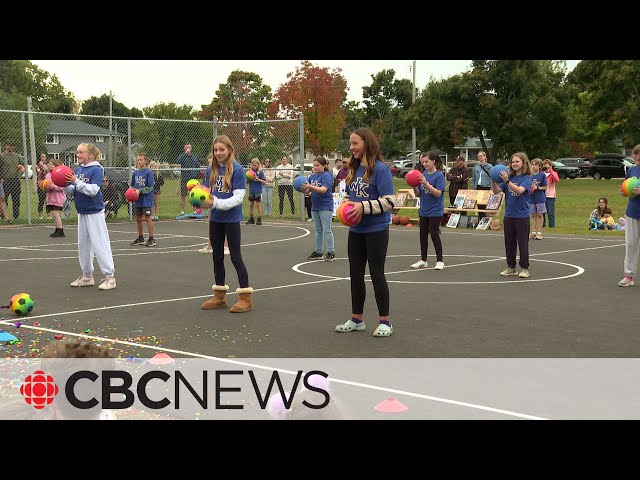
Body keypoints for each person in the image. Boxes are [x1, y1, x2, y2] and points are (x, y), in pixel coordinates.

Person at [334, 128, 396, 337]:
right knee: (355, 274)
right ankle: (357, 319)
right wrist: (345, 206)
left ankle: (385, 322)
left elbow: (389, 201)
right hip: (356, 230)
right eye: (350, 144)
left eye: (355, 143)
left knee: (377, 274)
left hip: (376, 229)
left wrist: (364, 207)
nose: (351, 148)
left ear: (367, 144)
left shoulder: (380, 169)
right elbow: (349, 196)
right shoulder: (353, 169)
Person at [200, 135, 253, 313]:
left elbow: (237, 198)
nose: (218, 153)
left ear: (229, 150)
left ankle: (246, 298)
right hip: (216, 218)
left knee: (235, 256)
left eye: (222, 149)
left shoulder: (237, 170)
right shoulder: (211, 169)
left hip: (231, 219)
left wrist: (215, 203)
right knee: (217, 256)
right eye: (215, 150)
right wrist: (200, 198)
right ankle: (219, 296)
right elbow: (208, 192)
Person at [63, 143, 116, 290]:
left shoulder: (97, 169)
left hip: (95, 212)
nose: (78, 155)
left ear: (90, 155)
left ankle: (110, 277)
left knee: (100, 244)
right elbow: (72, 191)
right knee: (83, 245)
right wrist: (63, 184)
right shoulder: (78, 169)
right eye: (77, 152)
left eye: (81, 152)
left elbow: (93, 190)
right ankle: (87, 276)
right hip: (82, 211)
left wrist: (75, 181)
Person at [492, 152, 533, 278]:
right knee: (509, 243)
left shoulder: (527, 178)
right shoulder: (509, 177)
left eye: (517, 161)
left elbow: (520, 191)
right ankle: (511, 267)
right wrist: (493, 179)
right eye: (512, 162)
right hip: (509, 215)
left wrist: (507, 181)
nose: (514, 164)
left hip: (522, 216)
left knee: (522, 243)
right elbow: (496, 191)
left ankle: (525, 268)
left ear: (524, 163)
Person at [410, 152, 446, 270]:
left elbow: (438, 193)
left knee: (434, 234)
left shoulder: (439, 175)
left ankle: (440, 261)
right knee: (423, 235)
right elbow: (419, 194)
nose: (424, 164)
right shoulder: (423, 174)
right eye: (423, 162)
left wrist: (426, 183)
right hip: (424, 210)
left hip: (435, 210)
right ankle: (423, 260)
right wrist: (414, 185)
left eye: (426, 161)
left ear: (433, 162)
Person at [300, 157, 336, 261]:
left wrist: (310, 186)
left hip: (325, 206)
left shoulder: (327, 176)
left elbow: (323, 190)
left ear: (324, 165)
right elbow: (311, 192)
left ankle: (331, 251)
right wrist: (304, 190)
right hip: (315, 206)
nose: (315, 167)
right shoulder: (312, 176)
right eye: (314, 165)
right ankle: (318, 251)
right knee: (318, 230)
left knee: (327, 229)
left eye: (317, 165)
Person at [618, 144, 640, 287]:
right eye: (635, 154)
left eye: (638, 154)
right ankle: (629, 276)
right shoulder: (631, 170)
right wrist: (624, 191)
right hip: (632, 212)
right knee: (631, 244)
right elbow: (625, 187)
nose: (636, 157)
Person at [129, 153, 156, 247]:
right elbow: (133, 185)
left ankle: (152, 239)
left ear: (146, 161)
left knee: (147, 218)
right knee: (138, 218)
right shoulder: (135, 173)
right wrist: (130, 193)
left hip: (146, 199)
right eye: (138, 160)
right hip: (138, 200)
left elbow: (150, 187)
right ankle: (140, 238)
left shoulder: (149, 172)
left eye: (140, 160)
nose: (139, 161)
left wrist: (140, 191)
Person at [0, 141, 24, 220]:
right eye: (8, 145)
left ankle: (16, 217)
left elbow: (23, 166)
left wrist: (21, 170)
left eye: (12, 145)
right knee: (4, 199)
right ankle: (3, 216)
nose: (10, 147)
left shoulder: (17, 156)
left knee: (16, 199)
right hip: (5, 180)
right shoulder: (2, 156)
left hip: (15, 180)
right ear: (5, 146)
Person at [177, 143, 200, 215]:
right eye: (187, 147)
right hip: (184, 178)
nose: (188, 149)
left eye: (189, 147)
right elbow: (178, 161)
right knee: (183, 195)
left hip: (192, 179)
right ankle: (182, 211)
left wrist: (195, 174)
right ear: (184, 148)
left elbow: (197, 166)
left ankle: (195, 211)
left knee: (193, 195)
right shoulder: (182, 156)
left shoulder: (194, 157)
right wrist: (185, 154)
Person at [44, 159, 66, 237]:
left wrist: (53, 187)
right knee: (54, 214)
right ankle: (57, 229)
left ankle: (60, 230)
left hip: (58, 198)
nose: (50, 166)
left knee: (55, 213)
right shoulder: (48, 175)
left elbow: (62, 187)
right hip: (50, 197)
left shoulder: (60, 175)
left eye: (52, 164)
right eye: (49, 164)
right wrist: (44, 186)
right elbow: (45, 184)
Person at [529, 158, 548, 240]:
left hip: (540, 197)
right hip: (531, 197)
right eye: (532, 164)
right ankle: (533, 231)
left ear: (539, 166)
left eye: (535, 165)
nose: (534, 166)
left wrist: (537, 188)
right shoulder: (530, 175)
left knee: (540, 214)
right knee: (533, 214)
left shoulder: (542, 175)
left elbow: (546, 187)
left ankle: (539, 232)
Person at [471, 150, 493, 219]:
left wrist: (492, 188)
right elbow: (474, 178)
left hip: (486, 187)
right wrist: (474, 188)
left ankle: (486, 219)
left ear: (484, 156)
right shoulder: (476, 167)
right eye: (478, 156)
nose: (480, 157)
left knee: (485, 204)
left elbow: (492, 178)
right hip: (478, 187)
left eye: (481, 156)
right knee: (479, 204)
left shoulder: (489, 167)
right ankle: (481, 219)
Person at [246, 157, 267, 225]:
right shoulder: (250, 172)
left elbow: (264, 181)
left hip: (258, 191)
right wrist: (248, 178)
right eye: (252, 165)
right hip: (251, 190)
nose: (253, 166)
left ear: (258, 165)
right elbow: (247, 182)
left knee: (258, 205)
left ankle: (259, 218)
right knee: (251, 205)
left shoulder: (260, 172)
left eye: (255, 165)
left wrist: (257, 179)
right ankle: (251, 218)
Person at [542, 159, 559, 228]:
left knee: (550, 212)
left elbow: (557, 179)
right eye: (545, 167)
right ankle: (542, 225)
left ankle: (552, 225)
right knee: (542, 211)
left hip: (550, 195)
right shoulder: (542, 174)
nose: (547, 169)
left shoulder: (553, 173)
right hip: (542, 195)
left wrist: (551, 171)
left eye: (548, 167)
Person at [36, 153, 49, 220]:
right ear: (39, 158)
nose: (43, 158)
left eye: (44, 157)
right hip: (41, 185)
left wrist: (44, 166)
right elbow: (39, 173)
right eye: (42, 157)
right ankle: (40, 215)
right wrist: (42, 167)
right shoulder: (37, 165)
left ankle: (48, 215)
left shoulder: (47, 165)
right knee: (41, 200)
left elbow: (48, 170)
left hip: (47, 184)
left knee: (48, 200)